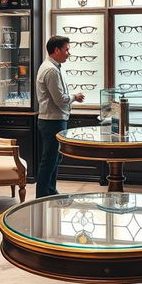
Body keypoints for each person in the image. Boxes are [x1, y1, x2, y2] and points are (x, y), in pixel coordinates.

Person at [36, 35, 84, 198]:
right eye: (66, 49)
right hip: (52, 121)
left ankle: (50, 192)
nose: (68, 53)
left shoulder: (53, 67)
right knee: (49, 161)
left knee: (54, 160)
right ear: (56, 50)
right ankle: (42, 197)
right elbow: (60, 100)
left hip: (55, 120)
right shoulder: (50, 70)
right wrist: (74, 97)